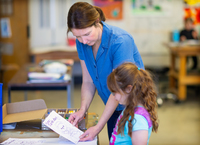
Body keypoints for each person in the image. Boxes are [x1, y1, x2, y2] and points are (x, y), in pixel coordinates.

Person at [67, 2, 144, 141]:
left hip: (132, 109)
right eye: (77, 36)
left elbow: (118, 90)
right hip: (112, 106)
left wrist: (98, 127)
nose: (83, 41)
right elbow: (88, 81)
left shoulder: (120, 41)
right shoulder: (82, 42)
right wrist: (82, 110)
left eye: (86, 34)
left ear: (97, 22)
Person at [107, 62, 159, 145]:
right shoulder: (131, 107)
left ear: (129, 89)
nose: (114, 97)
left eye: (115, 92)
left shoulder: (138, 119)